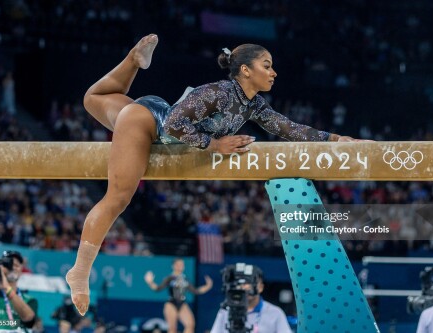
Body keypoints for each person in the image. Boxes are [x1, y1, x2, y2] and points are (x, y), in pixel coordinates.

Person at [65, 33, 366, 315]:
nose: (274, 72)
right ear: (246, 71)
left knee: (93, 98)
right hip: (146, 123)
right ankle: (79, 272)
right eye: (267, 65)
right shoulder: (218, 93)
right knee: (117, 198)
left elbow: (289, 128)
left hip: (153, 115)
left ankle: (133, 61)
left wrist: (337, 140)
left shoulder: (253, 105)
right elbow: (172, 125)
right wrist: (214, 144)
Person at [210, 265, 291, 333]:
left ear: (261, 287)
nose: (245, 287)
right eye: (240, 283)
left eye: (249, 283)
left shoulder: (275, 313)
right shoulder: (226, 310)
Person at [144, 258, 212, 333]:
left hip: (182, 303)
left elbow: (195, 291)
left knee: (190, 325)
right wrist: (150, 282)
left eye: (182, 265)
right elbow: (157, 288)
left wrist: (207, 287)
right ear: (174, 266)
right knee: (172, 328)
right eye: (178, 264)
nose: (181, 266)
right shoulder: (170, 278)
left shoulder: (185, 279)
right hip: (171, 303)